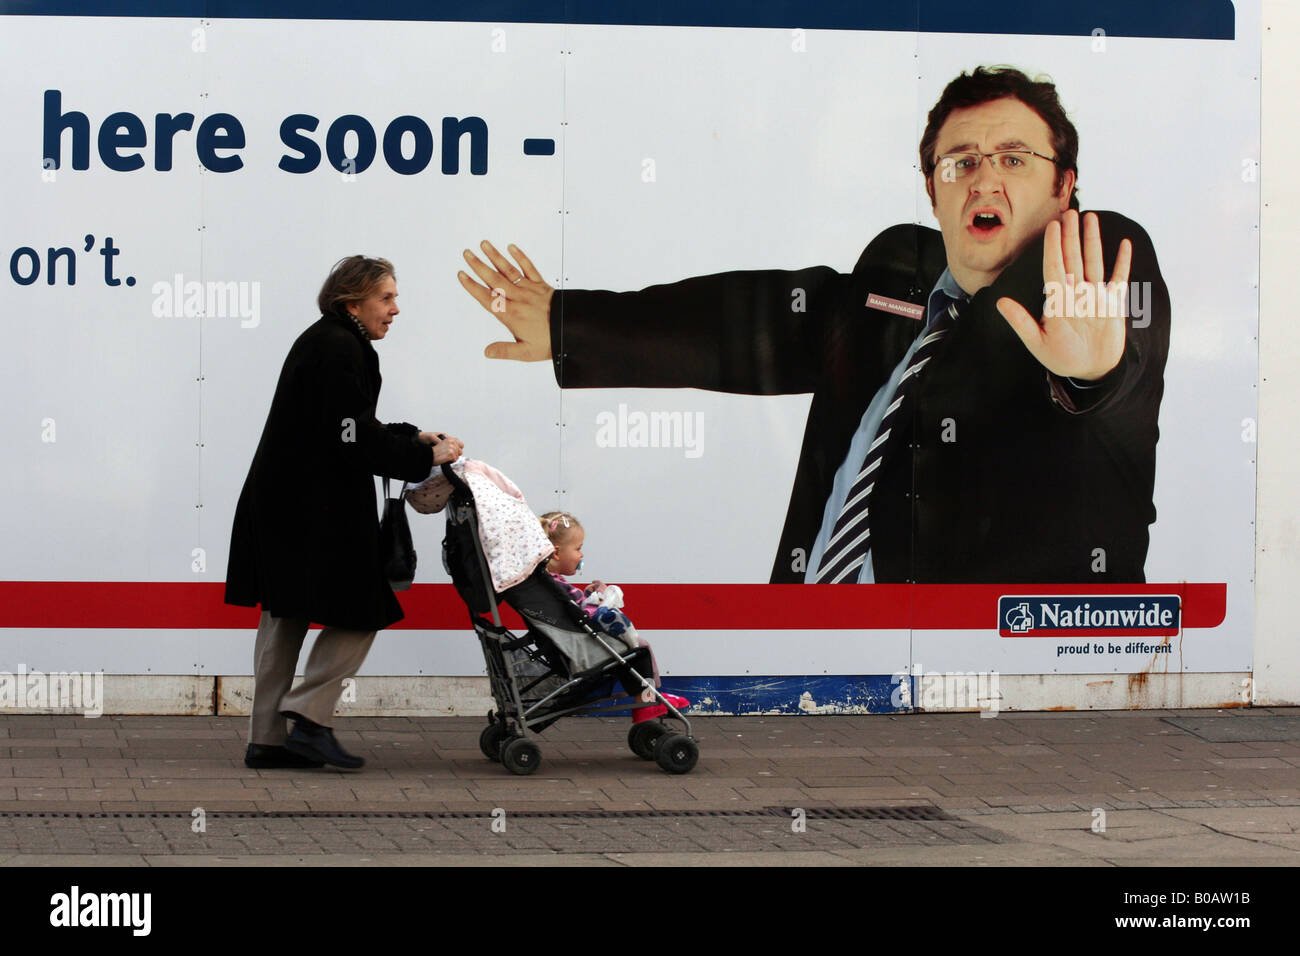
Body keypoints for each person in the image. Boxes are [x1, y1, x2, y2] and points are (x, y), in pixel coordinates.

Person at [457, 66, 1169, 584]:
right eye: (961, 162)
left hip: (1012, 660)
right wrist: (570, 322)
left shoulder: (1097, 269)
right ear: (932, 187)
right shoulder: (896, 282)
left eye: (1015, 159)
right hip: (818, 628)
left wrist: (1089, 375)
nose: (984, 180)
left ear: (1063, 183)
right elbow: (749, 321)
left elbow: (1115, 354)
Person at [225, 256, 464, 769]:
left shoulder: (326, 340)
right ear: (351, 300)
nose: (396, 310)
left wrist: (409, 435)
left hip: (284, 504)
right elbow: (350, 438)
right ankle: (308, 716)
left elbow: (348, 425)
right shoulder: (340, 347)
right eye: (387, 298)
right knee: (365, 609)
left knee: (283, 616)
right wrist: (425, 456)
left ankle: (266, 740)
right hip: (313, 510)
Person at [538, 511, 686, 722]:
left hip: (567, 644)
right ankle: (647, 700)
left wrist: (589, 595)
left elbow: (573, 610)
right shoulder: (556, 586)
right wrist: (601, 601)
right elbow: (582, 614)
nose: (581, 555)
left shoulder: (545, 583)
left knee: (623, 655)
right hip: (581, 648)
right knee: (638, 649)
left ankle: (648, 698)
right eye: (578, 549)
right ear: (556, 553)